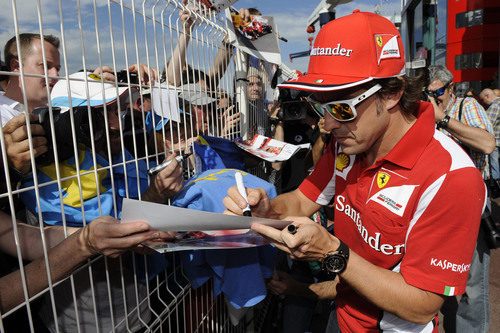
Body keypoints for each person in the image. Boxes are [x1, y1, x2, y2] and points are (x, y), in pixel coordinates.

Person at [223, 11, 486, 333]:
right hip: (342, 314)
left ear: (391, 94)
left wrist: (334, 254)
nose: (329, 124)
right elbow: (303, 200)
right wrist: (266, 208)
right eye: (320, 106)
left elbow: (422, 306)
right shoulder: (346, 143)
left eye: (341, 108)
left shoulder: (452, 176)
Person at [19, 71, 182, 333]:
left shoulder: (120, 154)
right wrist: (155, 195)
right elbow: (109, 241)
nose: (117, 124)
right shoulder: (50, 179)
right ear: (69, 123)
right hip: (84, 322)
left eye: (118, 111)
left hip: (139, 308)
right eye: (100, 115)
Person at [427, 66, 494, 333]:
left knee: (472, 283)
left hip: (471, 202)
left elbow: (488, 143)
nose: (434, 98)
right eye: (429, 93)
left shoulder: (466, 106)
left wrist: (442, 119)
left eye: (439, 92)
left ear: (451, 88)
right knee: (438, 274)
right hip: (438, 204)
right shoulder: (426, 113)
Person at [480, 88, 500, 180]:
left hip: (496, 141)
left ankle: (496, 187)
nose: (483, 103)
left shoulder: (495, 105)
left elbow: (486, 124)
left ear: (487, 96)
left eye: (483, 100)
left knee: (494, 167)